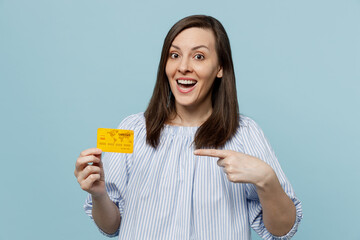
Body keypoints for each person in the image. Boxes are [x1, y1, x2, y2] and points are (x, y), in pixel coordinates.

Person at [74, 15, 302, 240]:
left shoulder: (245, 133)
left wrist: (266, 180)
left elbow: (282, 231)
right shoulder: (132, 129)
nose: (183, 67)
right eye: (174, 55)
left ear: (220, 67)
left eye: (199, 56)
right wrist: (99, 195)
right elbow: (111, 227)